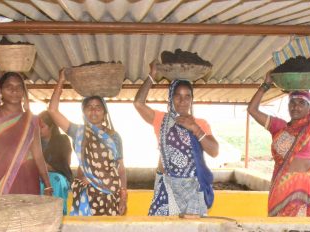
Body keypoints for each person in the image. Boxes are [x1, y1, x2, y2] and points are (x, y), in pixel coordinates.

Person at [248, 71, 310, 217]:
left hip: (304, 188)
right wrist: (266, 85)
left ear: (309, 107)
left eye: (301, 103)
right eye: (292, 103)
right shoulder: (278, 127)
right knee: (277, 231)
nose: (296, 107)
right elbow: (252, 110)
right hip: (281, 186)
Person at [134, 61, 219, 217]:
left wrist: (195, 129)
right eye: (178, 96)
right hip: (167, 185)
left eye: (187, 96)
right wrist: (152, 76)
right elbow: (138, 103)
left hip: (193, 188)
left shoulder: (200, 124)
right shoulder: (161, 119)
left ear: (192, 99)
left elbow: (214, 151)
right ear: (171, 98)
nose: (182, 101)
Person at [0, 41, 52, 196]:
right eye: (9, 87)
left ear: (24, 91)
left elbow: (38, 155)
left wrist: (47, 185)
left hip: (29, 179)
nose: (14, 90)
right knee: (2, 218)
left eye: (19, 87)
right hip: (1, 178)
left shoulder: (31, 120)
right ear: (0, 90)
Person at [48, 69, 127, 216]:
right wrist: (61, 81)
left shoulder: (114, 137)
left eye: (98, 107)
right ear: (83, 112)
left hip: (109, 195)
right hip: (85, 194)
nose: (94, 111)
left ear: (104, 113)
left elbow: (120, 170)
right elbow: (52, 110)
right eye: (89, 107)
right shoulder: (78, 132)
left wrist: (123, 198)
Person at [38, 111, 72, 213]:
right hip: (38, 175)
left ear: (51, 127)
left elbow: (65, 163)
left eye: (42, 126)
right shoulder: (34, 142)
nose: (38, 130)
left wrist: (46, 167)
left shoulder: (62, 140)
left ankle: (56, 213)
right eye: (37, 127)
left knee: (54, 180)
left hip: (59, 176)